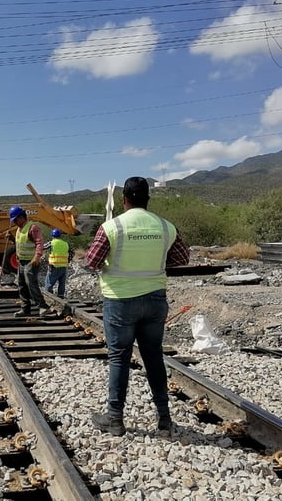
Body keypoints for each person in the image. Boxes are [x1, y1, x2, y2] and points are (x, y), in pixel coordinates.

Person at [85, 176, 190, 436]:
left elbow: (91, 261)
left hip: (120, 300)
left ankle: (115, 419)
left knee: (119, 358)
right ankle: (164, 419)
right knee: (153, 356)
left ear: (124, 200)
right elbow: (181, 258)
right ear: (147, 199)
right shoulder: (166, 227)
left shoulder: (112, 227)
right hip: (155, 299)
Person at [8, 205, 51, 317]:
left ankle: (42, 306)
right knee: (21, 285)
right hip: (21, 262)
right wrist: (12, 239)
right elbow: (20, 244)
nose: (14, 222)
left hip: (31, 261)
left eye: (15, 220)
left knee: (30, 283)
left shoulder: (32, 228)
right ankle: (25, 308)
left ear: (21, 217)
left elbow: (39, 243)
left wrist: (37, 257)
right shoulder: (19, 229)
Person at [44, 228, 69, 298]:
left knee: (49, 283)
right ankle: (61, 297)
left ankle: (48, 297)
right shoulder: (65, 244)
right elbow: (71, 253)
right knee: (62, 283)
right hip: (63, 267)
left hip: (54, 266)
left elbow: (42, 247)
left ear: (52, 235)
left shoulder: (52, 243)